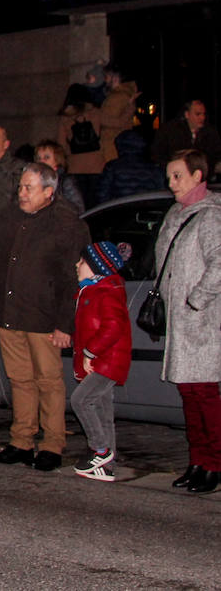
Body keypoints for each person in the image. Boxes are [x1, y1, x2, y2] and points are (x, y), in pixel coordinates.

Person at [0, 163, 89, 472]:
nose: (22, 193)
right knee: (19, 379)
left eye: (29, 188)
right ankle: (21, 441)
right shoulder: (9, 216)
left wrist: (65, 324)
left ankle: (52, 445)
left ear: (49, 192)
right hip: (9, 311)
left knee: (48, 382)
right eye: (21, 187)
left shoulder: (65, 223)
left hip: (43, 317)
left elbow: (72, 280)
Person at [156, 149, 221, 494]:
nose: (171, 183)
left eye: (178, 175)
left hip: (203, 323)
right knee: (189, 395)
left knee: (205, 395)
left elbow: (219, 263)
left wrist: (195, 301)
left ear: (198, 176)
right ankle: (197, 461)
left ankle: (215, 464)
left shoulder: (210, 215)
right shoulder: (176, 213)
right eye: (169, 176)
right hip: (181, 322)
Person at [70, 240, 133, 482]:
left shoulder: (107, 292)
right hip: (101, 360)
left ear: (97, 267)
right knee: (103, 410)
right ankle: (106, 465)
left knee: (81, 400)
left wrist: (90, 352)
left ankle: (100, 449)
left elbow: (113, 326)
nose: (77, 265)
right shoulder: (90, 290)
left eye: (82, 261)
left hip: (107, 361)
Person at [153, 100, 221, 176]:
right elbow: (158, 155)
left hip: (203, 177)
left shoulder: (210, 133)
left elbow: (216, 155)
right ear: (187, 114)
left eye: (204, 114)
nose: (202, 117)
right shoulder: (170, 131)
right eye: (198, 114)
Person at [97, 129, 166, 204]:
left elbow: (102, 195)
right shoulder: (153, 168)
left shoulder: (112, 167)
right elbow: (161, 193)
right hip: (146, 208)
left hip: (119, 208)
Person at [95, 63, 140, 164]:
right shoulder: (123, 94)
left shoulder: (117, 97)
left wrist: (95, 115)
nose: (105, 80)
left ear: (115, 78)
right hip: (116, 146)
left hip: (111, 147)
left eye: (106, 76)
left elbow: (112, 121)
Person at [34, 140, 85, 213]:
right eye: (39, 158)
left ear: (57, 160)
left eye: (46, 157)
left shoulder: (65, 181)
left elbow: (79, 209)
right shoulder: (35, 182)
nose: (41, 161)